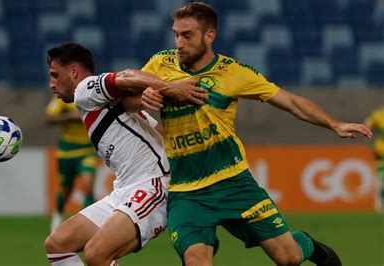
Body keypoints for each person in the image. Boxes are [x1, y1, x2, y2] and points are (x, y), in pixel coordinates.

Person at [140, 2, 372, 266]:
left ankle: (304, 243)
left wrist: (334, 124)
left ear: (209, 36)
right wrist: (144, 93)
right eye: (176, 34)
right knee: (196, 261)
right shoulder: (160, 64)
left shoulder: (234, 73)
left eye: (187, 35)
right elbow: (129, 90)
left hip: (234, 183)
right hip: (186, 191)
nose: (179, 42)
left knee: (288, 258)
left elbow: (290, 101)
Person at [43, 42, 207, 266]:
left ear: (73, 72)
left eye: (55, 75)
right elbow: (160, 133)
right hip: (124, 190)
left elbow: (128, 75)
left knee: (96, 253)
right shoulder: (118, 105)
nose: (51, 83)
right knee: (57, 245)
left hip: (151, 185)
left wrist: (171, 88)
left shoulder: (84, 89)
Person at [45, 96, 99, 232]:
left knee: (88, 186)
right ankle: (57, 217)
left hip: (87, 149)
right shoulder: (64, 98)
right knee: (66, 189)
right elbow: (48, 119)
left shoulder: (94, 96)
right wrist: (70, 117)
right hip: (66, 151)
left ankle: (88, 225)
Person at [364, 106, 384, 206]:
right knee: (381, 179)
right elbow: (367, 126)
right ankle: (379, 205)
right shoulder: (379, 115)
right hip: (381, 152)